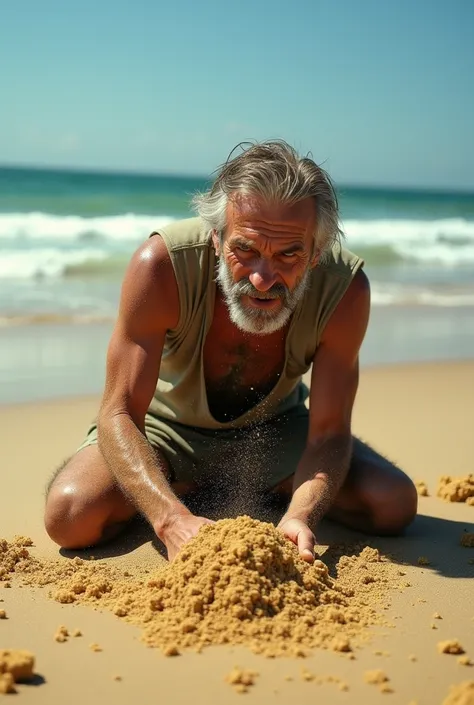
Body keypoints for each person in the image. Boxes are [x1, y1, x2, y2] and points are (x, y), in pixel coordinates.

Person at [44, 140, 417, 563]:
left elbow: (329, 431)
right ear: (217, 238)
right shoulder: (161, 266)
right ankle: (187, 488)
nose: (262, 278)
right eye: (246, 249)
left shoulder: (344, 290)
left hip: (274, 432)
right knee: (71, 515)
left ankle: (239, 488)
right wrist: (169, 519)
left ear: (315, 254)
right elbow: (120, 412)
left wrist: (301, 517)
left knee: (392, 504)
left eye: (289, 254)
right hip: (165, 432)